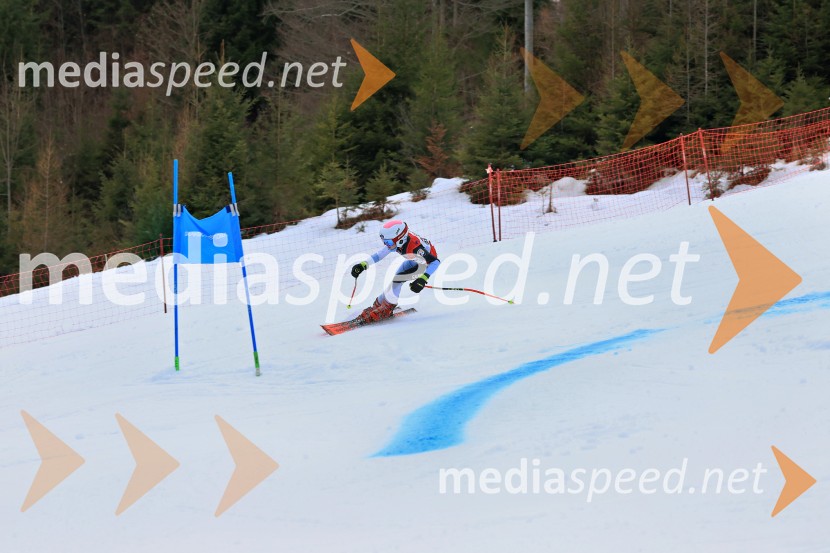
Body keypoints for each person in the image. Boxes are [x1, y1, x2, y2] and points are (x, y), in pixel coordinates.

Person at [350, 219, 441, 322]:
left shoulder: (415, 247)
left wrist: (423, 278)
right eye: (384, 242)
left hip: (424, 265)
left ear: (400, 239)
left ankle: (387, 308)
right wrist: (363, 265)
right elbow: (379, 255)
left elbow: (435, 262)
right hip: (413, 260)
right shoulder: (395, 243)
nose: (386, 245)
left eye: (388, 242)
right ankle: (379, 304)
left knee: (397, 280)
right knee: (395, 281)